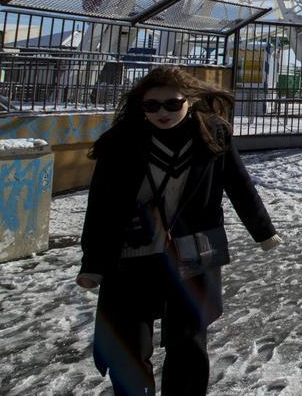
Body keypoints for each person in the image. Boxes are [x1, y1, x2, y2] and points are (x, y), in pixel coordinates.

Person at [76, 66, 282, 395]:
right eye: (152, 105)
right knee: (129, 341)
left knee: (187, 339)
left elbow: (239, 184)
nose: (162, 112)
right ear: (140, 106)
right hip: (132, 252)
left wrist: (262, 231)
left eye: (172, 104)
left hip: (194, 249)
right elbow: (101, 207)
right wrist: (94, 263)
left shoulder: (212, 133)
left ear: (189, 101)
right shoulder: (121, 142)